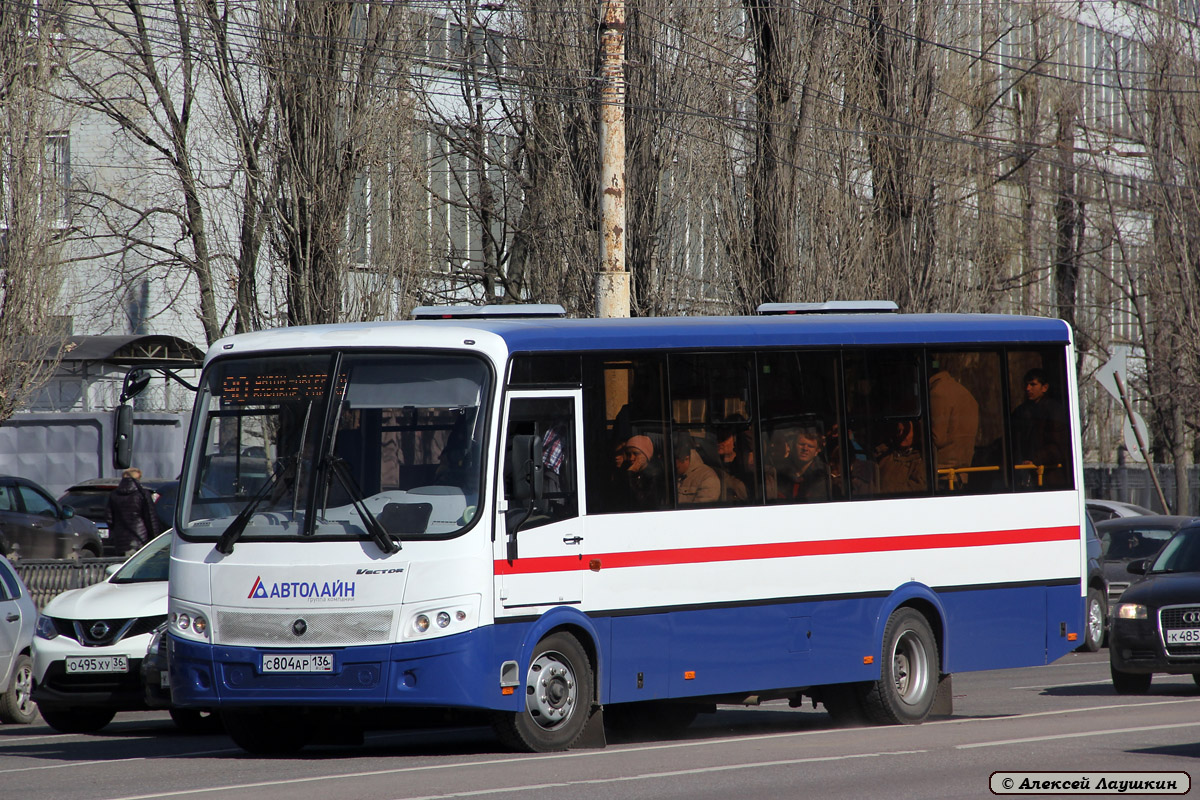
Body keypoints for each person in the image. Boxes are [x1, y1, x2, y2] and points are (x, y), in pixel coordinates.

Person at [1010, 367, 1069, 488]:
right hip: (1023, 476)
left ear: (1044, 387)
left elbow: (1059, 446)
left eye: (1033, 385)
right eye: (1026, 385)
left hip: (1048, 478)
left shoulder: (1054, 411)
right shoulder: (1020, 412)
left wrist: (1035, 460)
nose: (1028, 389)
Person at [928, 360, 979, 485]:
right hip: (962, 474)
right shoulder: (965, 392)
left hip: (942, 475)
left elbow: (937, 438)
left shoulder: (937, 393)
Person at [106, 467, 162, 556]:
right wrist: (155, 538)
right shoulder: (142, 494)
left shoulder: (114, 494)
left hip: (120, 539)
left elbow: (109, 519)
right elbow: (150, 517)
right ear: (138, 479)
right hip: (140, 536)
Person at [878, 420, 927, 494]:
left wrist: (884, 492)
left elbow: (917, 488)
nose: (901, 434)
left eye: (906, 431)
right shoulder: (885, 455)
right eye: (899, 431)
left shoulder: (920, 460)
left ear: (916, 433)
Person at [673, 433, 721, 505]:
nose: (673, 467)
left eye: (676, 464)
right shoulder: (673, 475)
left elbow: (702, 512)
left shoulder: (707, 478)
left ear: (686, 458)